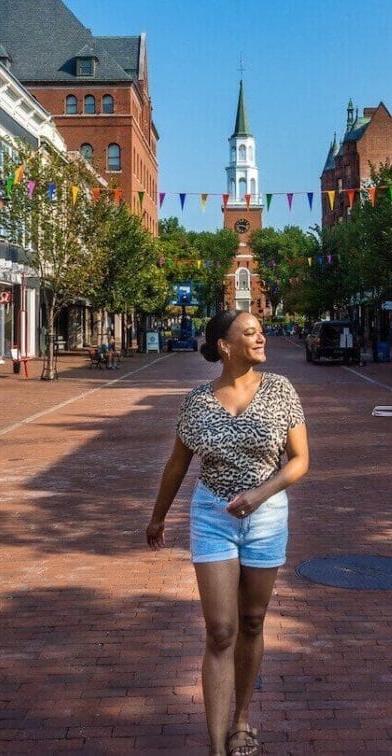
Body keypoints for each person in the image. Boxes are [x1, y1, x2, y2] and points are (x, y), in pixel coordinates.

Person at [146, 311, 310, 756]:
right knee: (220, 630)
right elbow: (177, 464)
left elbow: (299, 460)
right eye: (250, 332)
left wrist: (260, 494)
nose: (261, 337)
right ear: (224, 344)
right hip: (213, 516)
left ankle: (241, 721)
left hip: (267, 516)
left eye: (260, 331)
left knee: (253, 622)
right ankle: (217, 747)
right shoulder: (197, 401)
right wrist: (158, 517)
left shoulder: (280, 390)